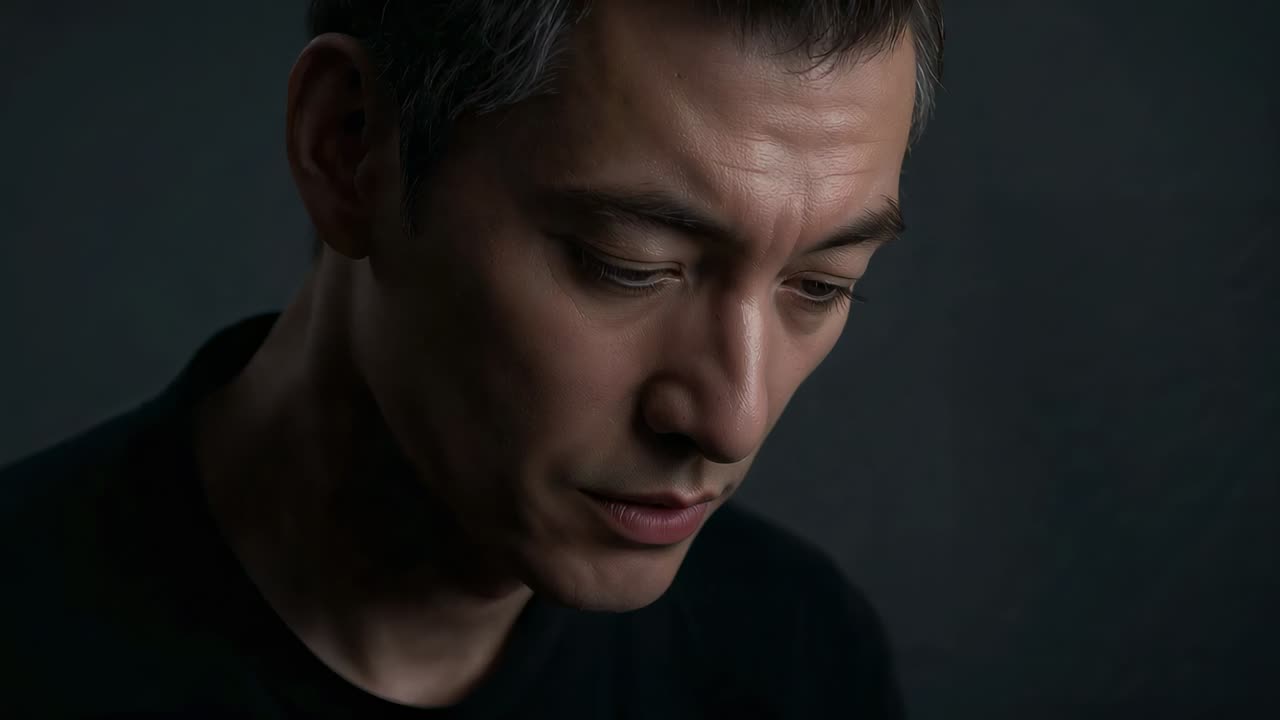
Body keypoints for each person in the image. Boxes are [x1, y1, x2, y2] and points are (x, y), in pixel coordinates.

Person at [0, 0, 944, 716]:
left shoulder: (799, 656)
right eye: (629, 266)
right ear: (350, 149)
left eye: (820, 286)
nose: (732, 416)